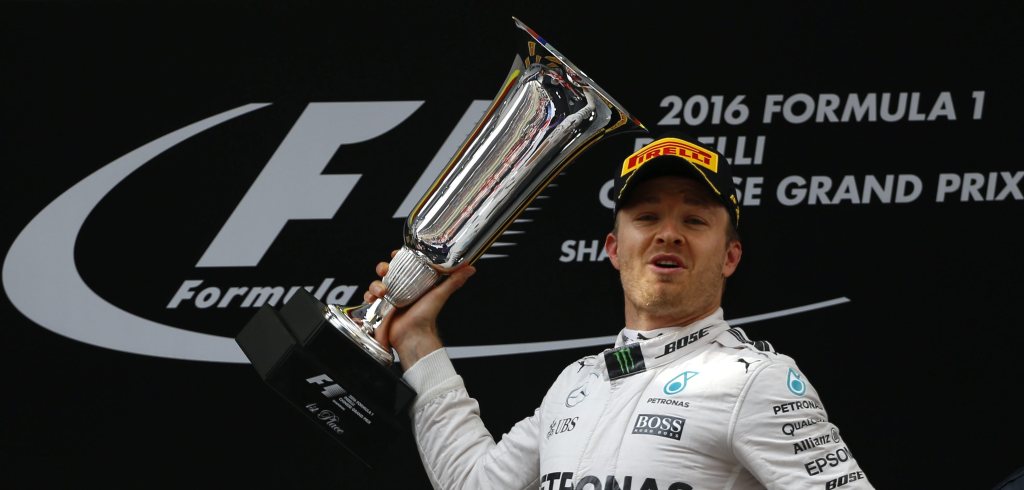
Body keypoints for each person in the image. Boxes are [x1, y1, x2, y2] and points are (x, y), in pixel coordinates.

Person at [363, 132, 873, 489]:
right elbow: (472, 485)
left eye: (694, 220)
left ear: (730, 256)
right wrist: (416, 338)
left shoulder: (756, 381)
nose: (667, 232)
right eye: (647, 215)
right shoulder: (576, 384)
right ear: (613, 248)